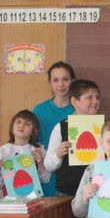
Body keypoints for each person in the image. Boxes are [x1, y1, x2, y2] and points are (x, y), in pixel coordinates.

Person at [44, 79, 101, 218]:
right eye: (89, 97)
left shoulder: (104, 126)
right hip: (68, 195)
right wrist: (58, 154)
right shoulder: (62, 127)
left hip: (98, 194)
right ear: (74, 101)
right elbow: (48, 165)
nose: (95, 102)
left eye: (97, 97)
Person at [33, 62, 76, 196]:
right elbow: (34, 142)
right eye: (55, 80)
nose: (61, 84)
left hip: (72, 174)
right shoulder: (39, 110)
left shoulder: (79, 109)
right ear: (50, 83)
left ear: (72, 80)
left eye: (65, 79)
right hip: (46, 172)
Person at [0, 110, 50, 193]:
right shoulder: (3, 151)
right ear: (12, 127)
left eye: (27, 124)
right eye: (18, 122)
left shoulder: (39, 150)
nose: (22, 125)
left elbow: (46, 180)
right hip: (9, 198)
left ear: (33, 131)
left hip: (33, 197)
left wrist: (40, 163)